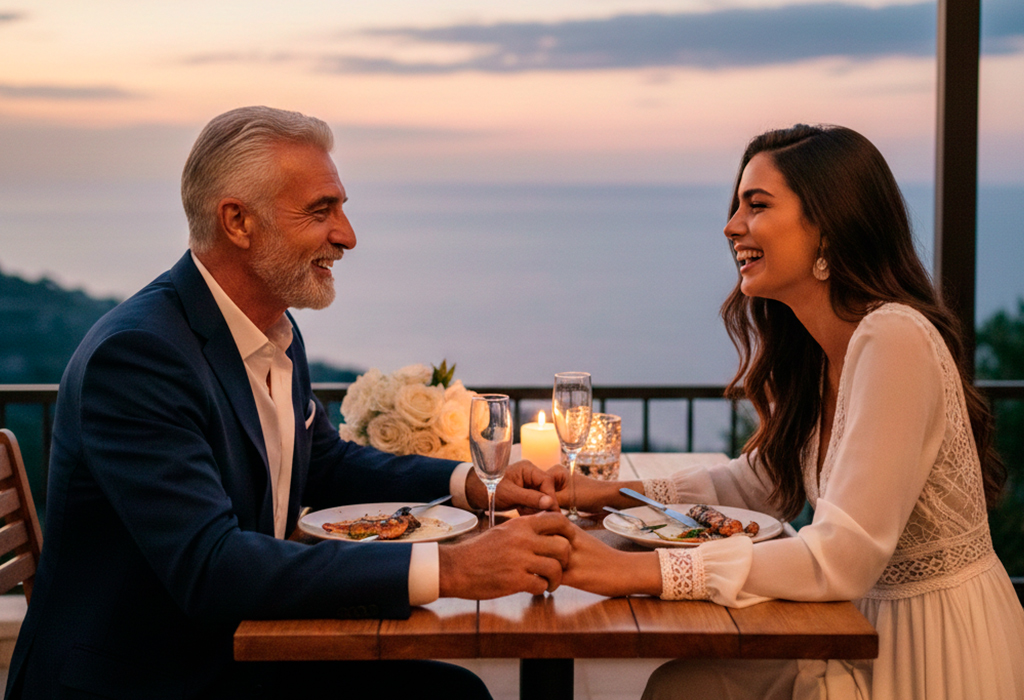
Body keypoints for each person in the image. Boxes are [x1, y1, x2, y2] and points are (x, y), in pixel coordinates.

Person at [4, 106, 576, 700]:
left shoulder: (271, 328)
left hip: (238, 650)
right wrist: (455, 570)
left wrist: (476, 484)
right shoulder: (139, 358)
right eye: (321, 210)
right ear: (237, 221)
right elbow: (211, 566)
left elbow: (325, 466)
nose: (347, 235)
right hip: (154, 678)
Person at [559, 124, 1024, 699]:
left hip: (925, 647)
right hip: (851, 626)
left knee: (688, 688)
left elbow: (842, 556)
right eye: (737, 207)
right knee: (686, 685)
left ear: (827, 226)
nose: (732, 226)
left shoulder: (895, 338)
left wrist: (644, 572)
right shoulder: (821, 347)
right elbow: (764, 480)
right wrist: (602, 495)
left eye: (756, 206)